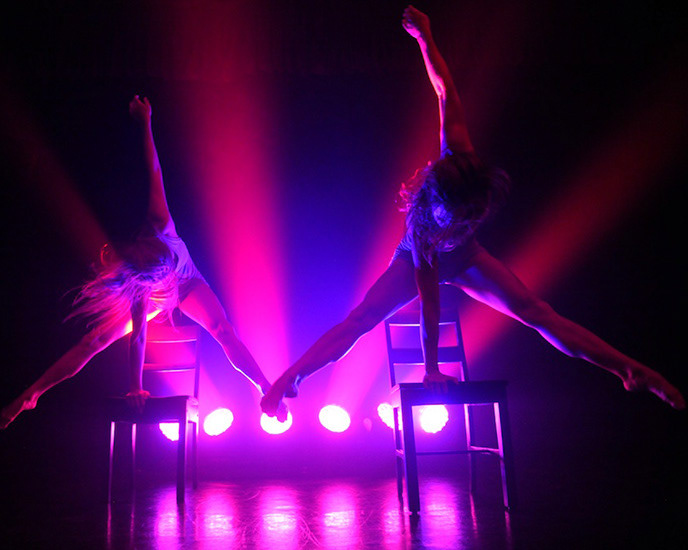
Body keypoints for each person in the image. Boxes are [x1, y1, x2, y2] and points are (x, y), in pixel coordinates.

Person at [261, 5, 685, 416]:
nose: (464, 219)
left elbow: (445, 89)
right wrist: (431, 368)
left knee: (536, 312)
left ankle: (628, 370)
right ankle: (292, 378)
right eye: (456, 215)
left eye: (468, 213)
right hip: (416, 261)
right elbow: (430, 305)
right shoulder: (424, 229)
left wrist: (425, 37)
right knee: (361, 320)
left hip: (466, 257)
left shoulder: (460, 155)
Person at [0, 95, 287, 429]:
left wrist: (146, 123)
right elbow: (139, 337)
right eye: (158, 276)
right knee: (93, 342)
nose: (163, 274)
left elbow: (154, 171)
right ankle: (32, 394)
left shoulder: (160, 223)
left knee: (223, 329)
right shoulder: (140, 288)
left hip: (189, 283)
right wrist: (135, 386)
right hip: (158, 295)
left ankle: (266, 387)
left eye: (163, 269)